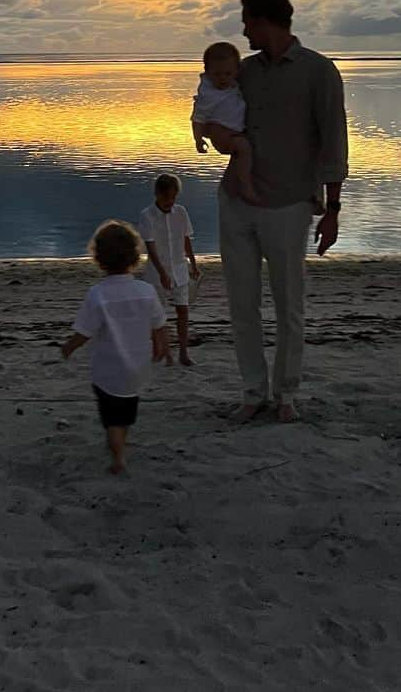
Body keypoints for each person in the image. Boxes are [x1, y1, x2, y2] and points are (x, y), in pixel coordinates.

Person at [219, 0, 348, 426]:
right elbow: (219, 115)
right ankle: (253, 391)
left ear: (264, 21)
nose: (242, 30)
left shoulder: (318, 71)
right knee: (242, 303)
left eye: (246, 21)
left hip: (290, 202)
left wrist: (332, 208)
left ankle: (286, 392)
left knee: (289, 303)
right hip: (237, 199)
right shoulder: (245, 72)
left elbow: (334, 140)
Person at [61, 220, 169, 474]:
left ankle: (118, 456)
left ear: (99, 258)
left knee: (111, 418)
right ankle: (121, 440)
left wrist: (68, 348)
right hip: (137, 369)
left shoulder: (97, 295)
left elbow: (84, 332)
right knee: (126, 411)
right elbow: (160, 324)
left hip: (107, 371)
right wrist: (162, 346)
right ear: (134, 256)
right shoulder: (146, 291)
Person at [139, 173, 199, 367]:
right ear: (157, 194)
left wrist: (193, 264)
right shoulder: (147, 216)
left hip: (180, 269)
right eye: (166, 198)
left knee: (183, 311)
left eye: (173, 197)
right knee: (159, 314)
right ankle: (165, 352)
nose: (170, 202)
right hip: (158, 272)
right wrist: (162, 273)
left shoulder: (180, 212)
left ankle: (183, 352)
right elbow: (151, 248)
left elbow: (185, 239)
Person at [191, 40, 260, 203]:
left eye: (227, 74)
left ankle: (244, 180)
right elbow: (198, 118)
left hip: (236, 131)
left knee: (248, 147)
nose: (222, 78)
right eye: (217, 74)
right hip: (224, 135)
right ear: (207, 72)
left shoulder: (233, 86)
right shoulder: (208, 94)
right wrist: (198, 139)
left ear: (236, 71)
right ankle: (245, 186)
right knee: (243, 148)